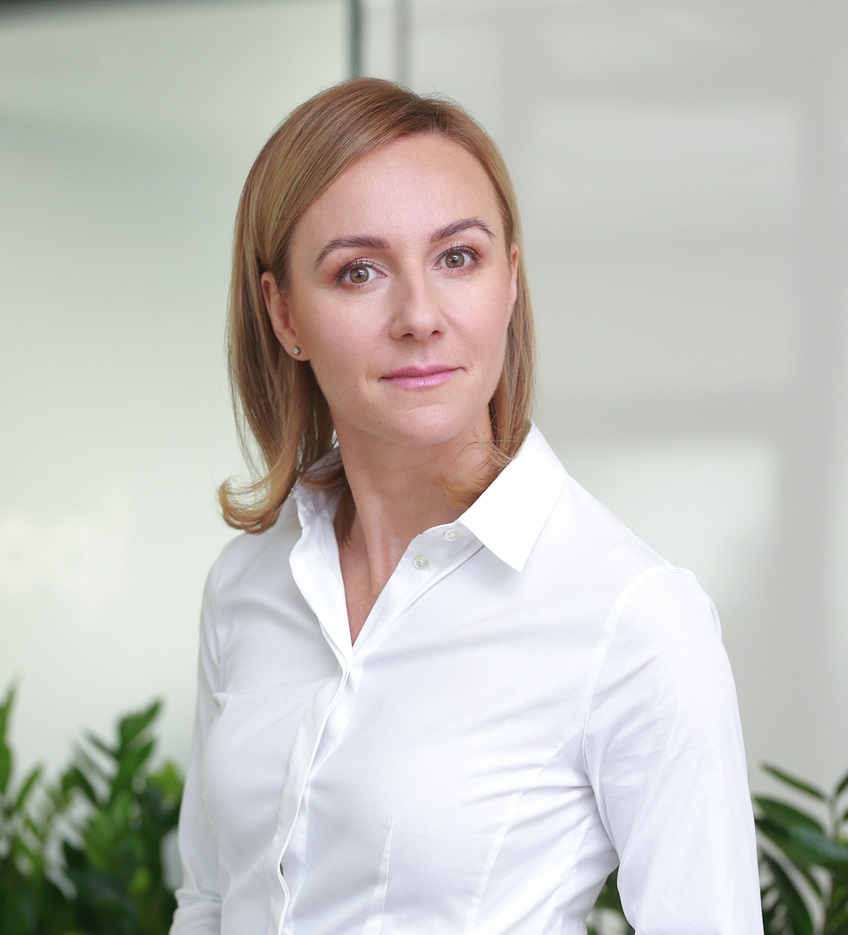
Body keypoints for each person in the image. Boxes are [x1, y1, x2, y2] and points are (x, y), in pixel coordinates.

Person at [170, 78, 763, 935]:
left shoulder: (631, 617)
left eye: (457, 258)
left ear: (510, 280)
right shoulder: (247, 584)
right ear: (284, 314)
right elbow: (209, 899)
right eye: (359, 271)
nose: (419, 316)